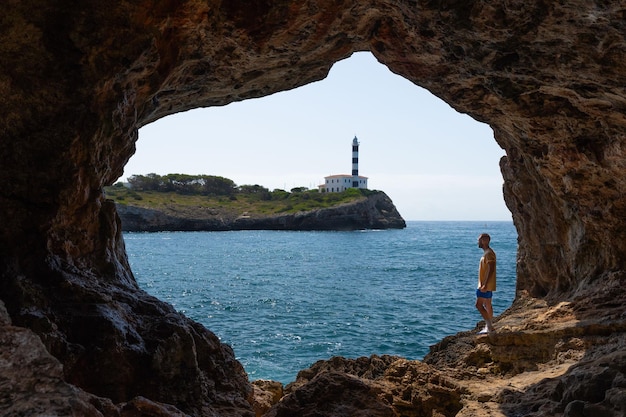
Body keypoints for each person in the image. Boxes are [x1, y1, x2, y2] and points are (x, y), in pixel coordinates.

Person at [476, 233, 496, 334]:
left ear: (484, 241)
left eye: (479, 240)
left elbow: (491, 268)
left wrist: (484, 284)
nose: (477, 242)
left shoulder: (489, 254)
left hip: (485, 285)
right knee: (487, 304)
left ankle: (489, 326)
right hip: (487, 285)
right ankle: (489, 326)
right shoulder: (488, 253)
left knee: (479, 305)